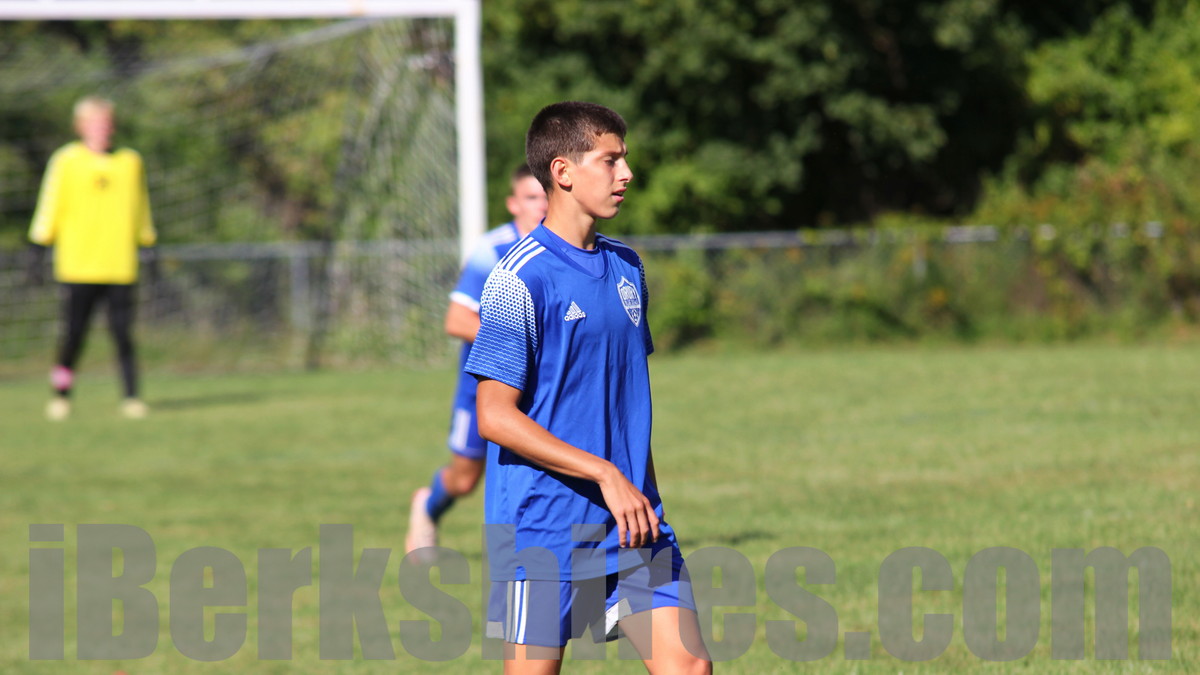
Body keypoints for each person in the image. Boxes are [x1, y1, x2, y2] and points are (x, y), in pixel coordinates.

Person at [465, 101, 711, 673]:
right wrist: (604, 474)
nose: (627, 174)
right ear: (563, 171)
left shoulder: (628, 267)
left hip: (633, 520)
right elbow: (494, 417)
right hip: (543, 529)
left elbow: (625, 400)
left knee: (690, 667)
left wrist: (640, 489)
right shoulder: (518, 279)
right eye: (610, 160)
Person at [405, 165, 548, 554]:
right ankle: (427, 506)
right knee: (465, 479)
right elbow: (457, 320)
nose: (541, 204)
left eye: (545, 195)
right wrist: (519, 344)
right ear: (513, 204)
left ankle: (548, 553)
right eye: (531, 197)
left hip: (539, 388)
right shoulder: (494, 250)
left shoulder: (561, 248)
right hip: (482, 387)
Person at [28, 96, 156, 421]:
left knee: (123, 335)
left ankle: (131, 397)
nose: (103, 129)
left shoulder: (130, 161)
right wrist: (38, 247)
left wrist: (148, 244)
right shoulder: (66, 160)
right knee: (73, 336)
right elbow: (50, 205)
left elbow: (141, 207)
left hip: (120, 265)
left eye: (107, 123)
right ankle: (61, 395)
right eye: (96, 123)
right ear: (81, 126)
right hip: (78, 265)